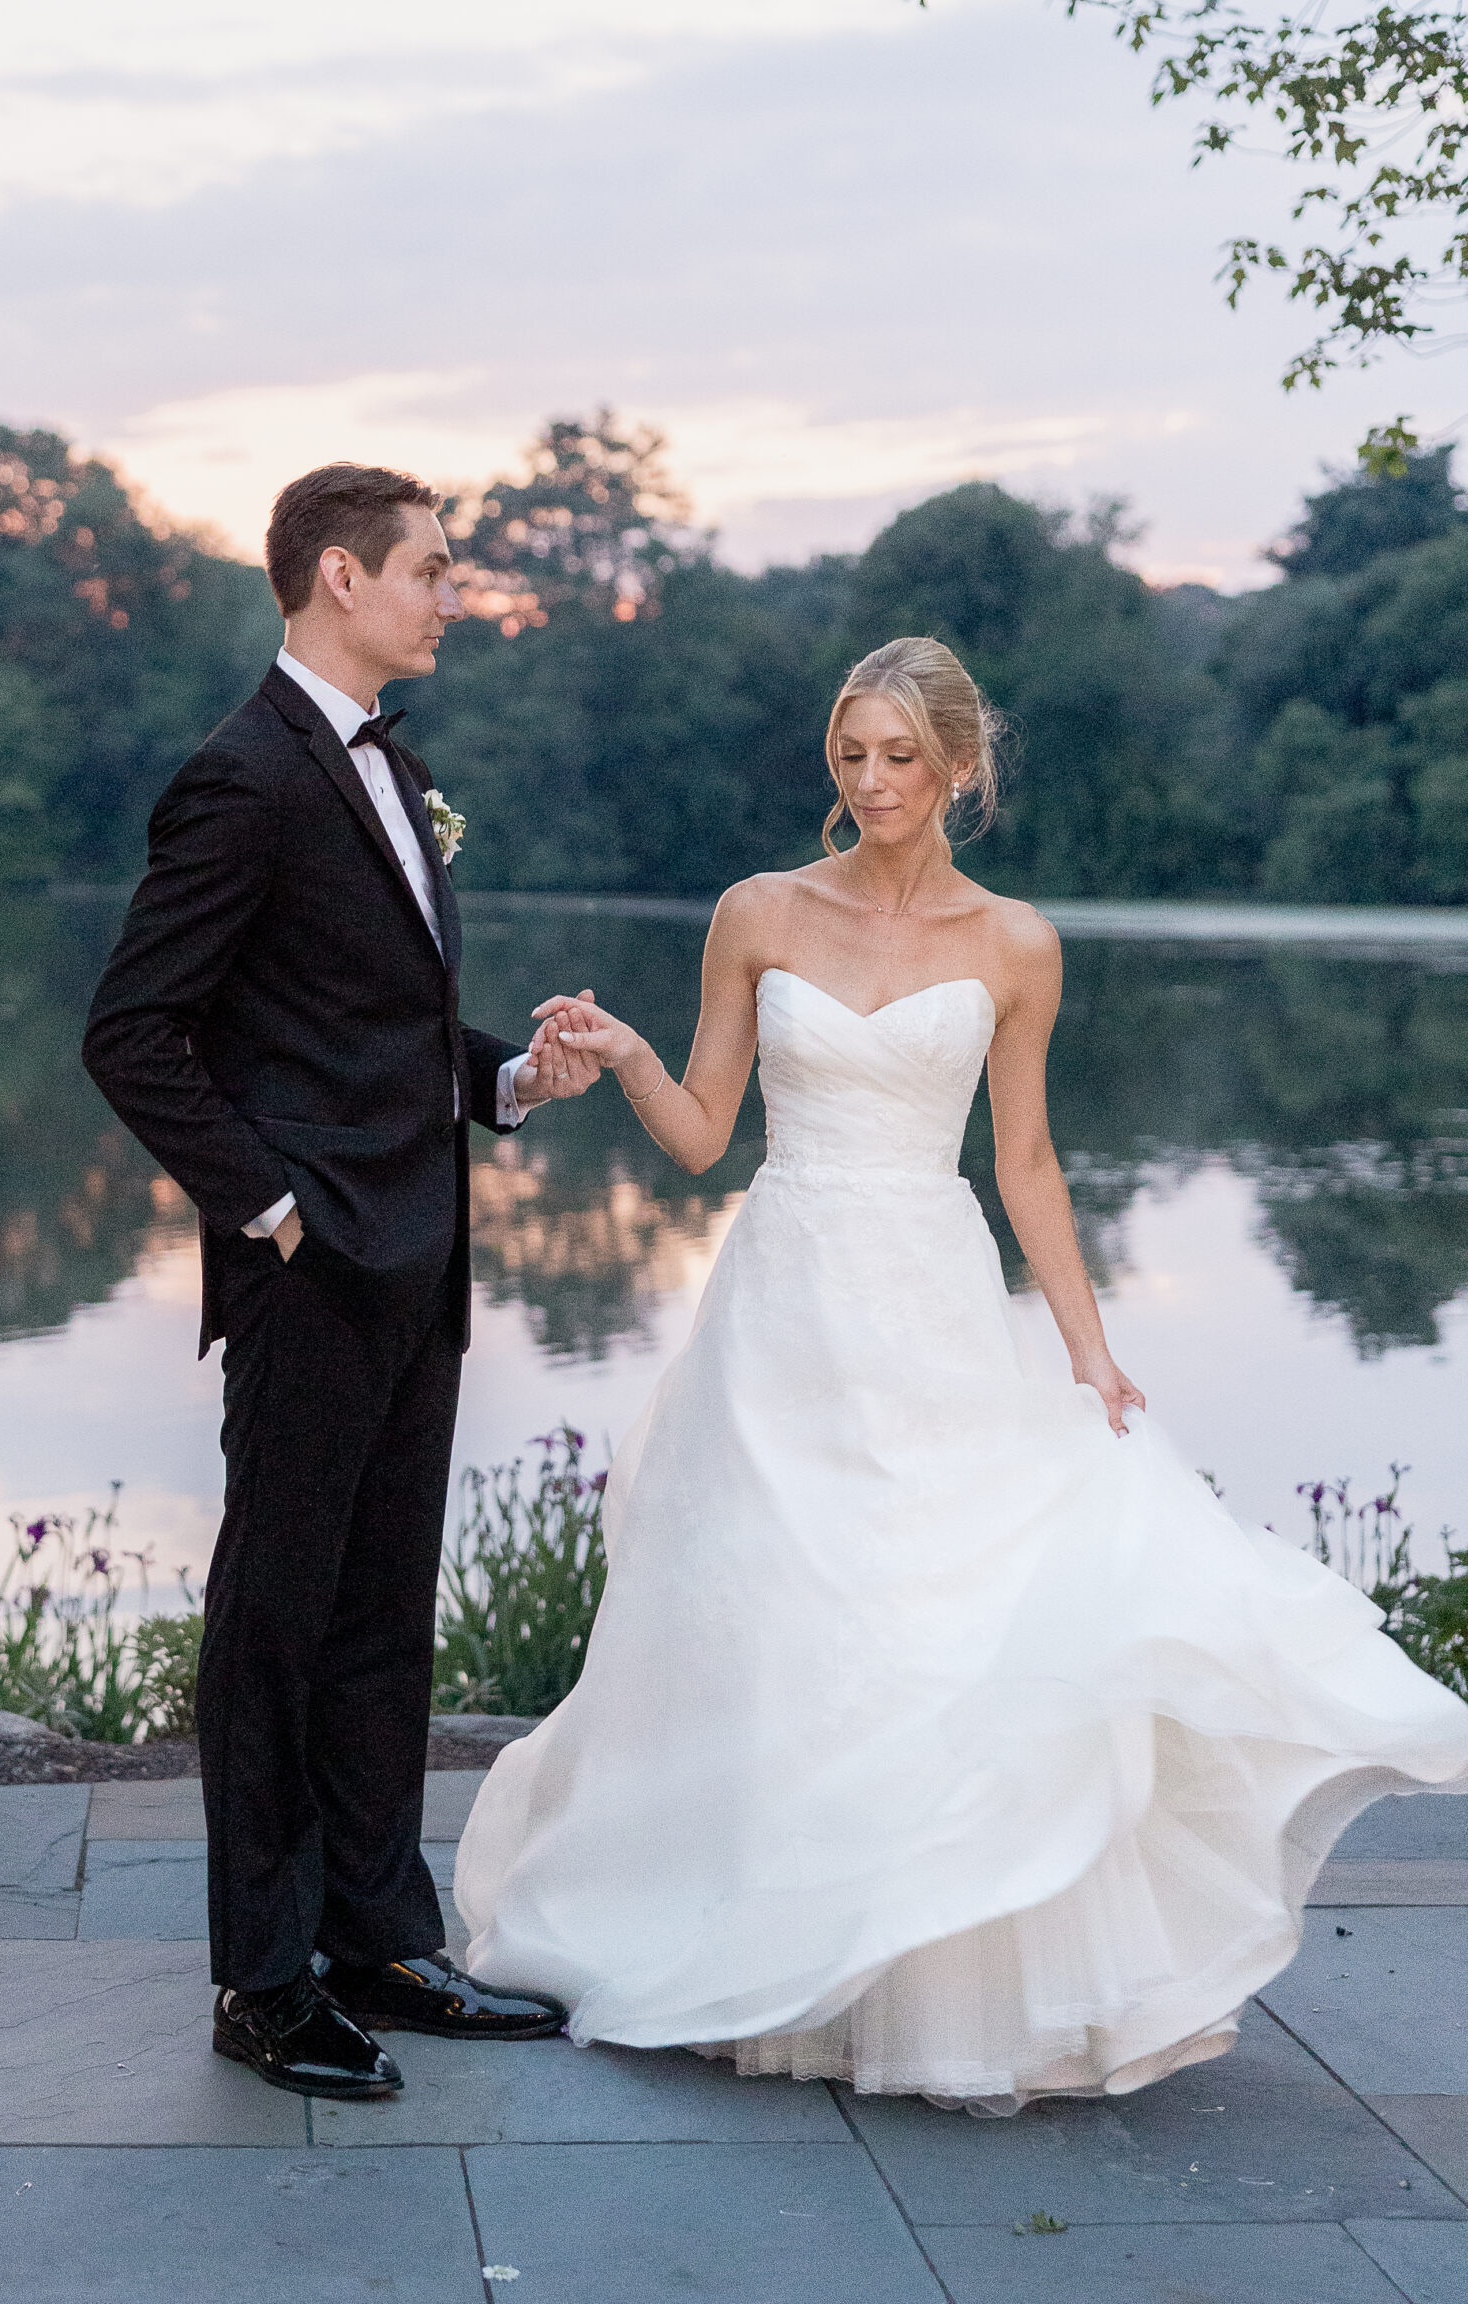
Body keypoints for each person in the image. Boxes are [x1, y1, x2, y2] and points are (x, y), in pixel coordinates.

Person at [458, 633, 1468, 2112]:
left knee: (929, 1616)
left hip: (927, 1294)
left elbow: (1027, 1162)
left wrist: (1084, 1341)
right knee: (774, 1613)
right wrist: (615, 1053)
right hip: (781, 1301)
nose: (870, 784)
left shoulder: (1015, 944)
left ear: (956, 769)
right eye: (849, 757)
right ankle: (760, 1935)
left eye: (898, 759)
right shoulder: (754, 911)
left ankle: (921, 1977)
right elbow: (699, 1138)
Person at [83, 463, 594, 2102]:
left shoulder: (394, 768)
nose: (454, 595)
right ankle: (261, 1979)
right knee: (275, 1624)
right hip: (315, 1271)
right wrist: (272, 1210)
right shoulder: (240, 778)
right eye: (433, 570)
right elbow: (134, 1035)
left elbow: (365, 1032)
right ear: (335, 580)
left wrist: (507, 1079)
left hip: (420, 1259)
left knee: (381, 1615)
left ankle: (379, 1939)